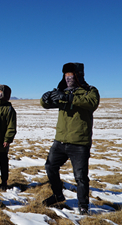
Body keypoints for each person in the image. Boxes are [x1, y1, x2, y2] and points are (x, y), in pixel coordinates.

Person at [40, 62, 100, 215]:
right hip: (60, 140)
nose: (67, 78)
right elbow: (46, 105)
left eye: (70, 75)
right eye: (65, 75)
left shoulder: (89, 91)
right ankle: (58, 195)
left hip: (79, 142)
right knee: (50, 167)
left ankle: (83, 206)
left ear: (78, 75)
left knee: (80, 177)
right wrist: (45, 98)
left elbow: (92, 103)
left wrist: (69, 97)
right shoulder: (63, 91)